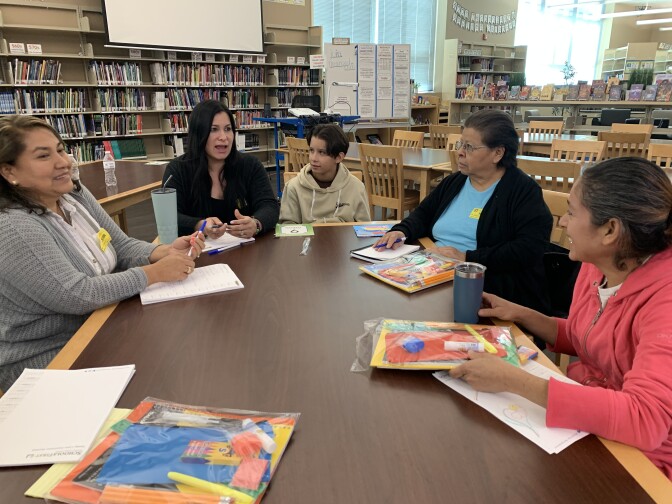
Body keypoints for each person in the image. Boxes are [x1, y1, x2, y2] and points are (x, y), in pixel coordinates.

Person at [450, 157, 672, 479]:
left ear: (610, 230)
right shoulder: (598, 264)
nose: (563, 223)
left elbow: (645, 420)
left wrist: (513, 380)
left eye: (571, 211)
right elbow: (589, 336)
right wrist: (520, 313)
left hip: (642, 462)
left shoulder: (664, 300)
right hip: (590, 424)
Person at [0, 116, 204, 391]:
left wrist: (162, 251)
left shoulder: (73, 196)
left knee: (180, 349)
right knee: (158, 375)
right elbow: (75, 294)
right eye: (43, 156)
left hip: (99, 323)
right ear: (9, 172)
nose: (63, 162)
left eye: (60, 150)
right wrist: (153, 273)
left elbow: (121, 245)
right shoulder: (14, 226)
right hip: (47, 354)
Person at [375, 109, 552, 313]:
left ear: (498, 153)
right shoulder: (455, 181)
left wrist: (467, 257)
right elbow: (423, 213)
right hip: (434, 273)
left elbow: (529, 249)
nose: (459, 152)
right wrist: (402, 230)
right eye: (461, 144)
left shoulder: (522, 191)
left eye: (469, 147)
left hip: (485, 288)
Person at [163, 100, 279, 240]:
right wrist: (200, 225)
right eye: (214, 129)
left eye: (228, 129)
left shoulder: (250, 165)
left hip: (245, 252)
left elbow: (270, 206)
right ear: (199, 133)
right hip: (196, 254)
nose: (223, 137)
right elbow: (168, 218)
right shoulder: (177, 170)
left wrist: (256, 223)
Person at [279, 124, 370, 224]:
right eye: (311, 150)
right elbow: (287, 228)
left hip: (344, 239)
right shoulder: (293, 187)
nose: (313, 158)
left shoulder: (356, 187)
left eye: (322, 152)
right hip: (306, 239)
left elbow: (364, 228)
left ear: (339, 157)